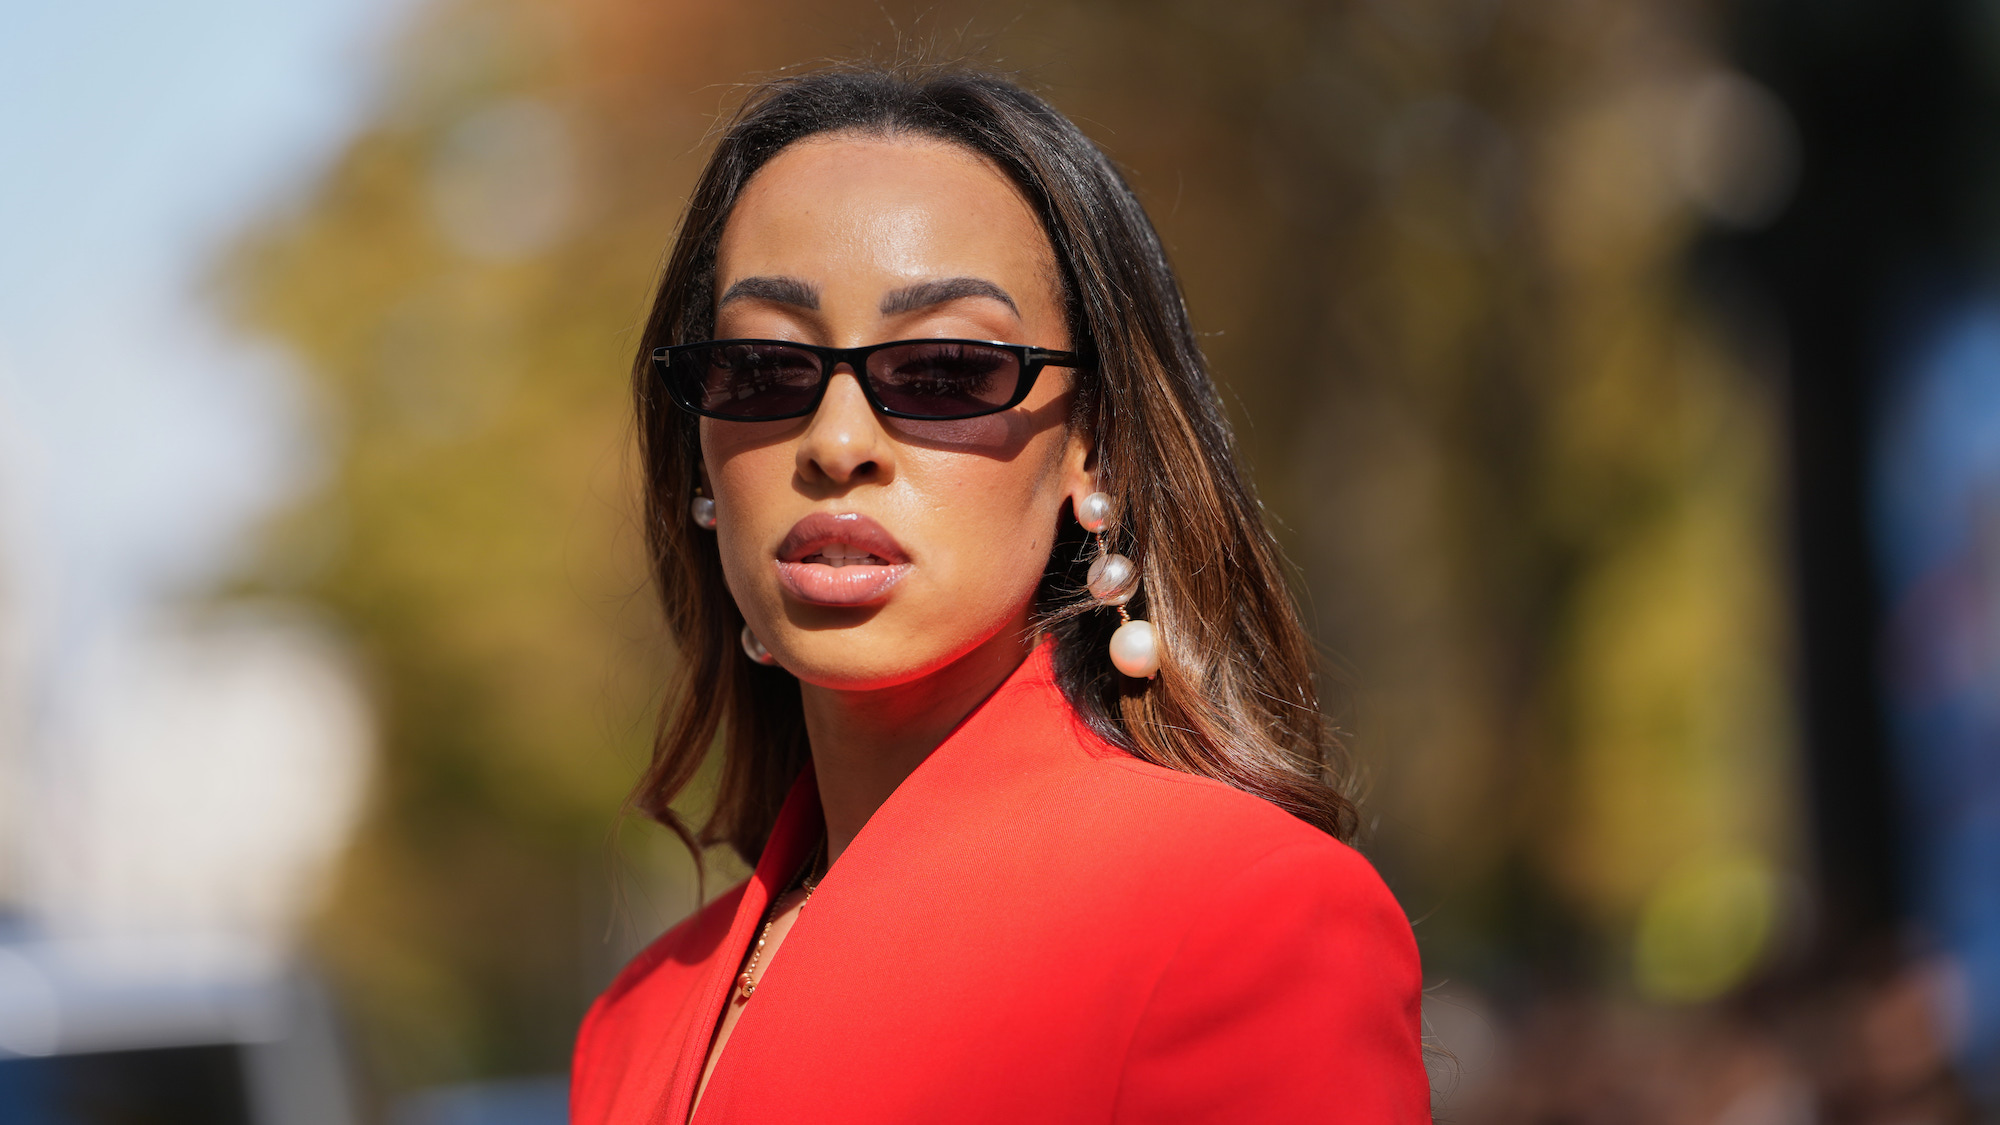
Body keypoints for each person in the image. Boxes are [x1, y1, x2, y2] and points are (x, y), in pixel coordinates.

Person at [570, 61, 1430, 1124]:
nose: (837, 443)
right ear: (699, 455)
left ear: (1094, 447)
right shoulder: (635, 1018)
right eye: (763, 367)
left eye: (942, 370)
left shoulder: (1238, 918)